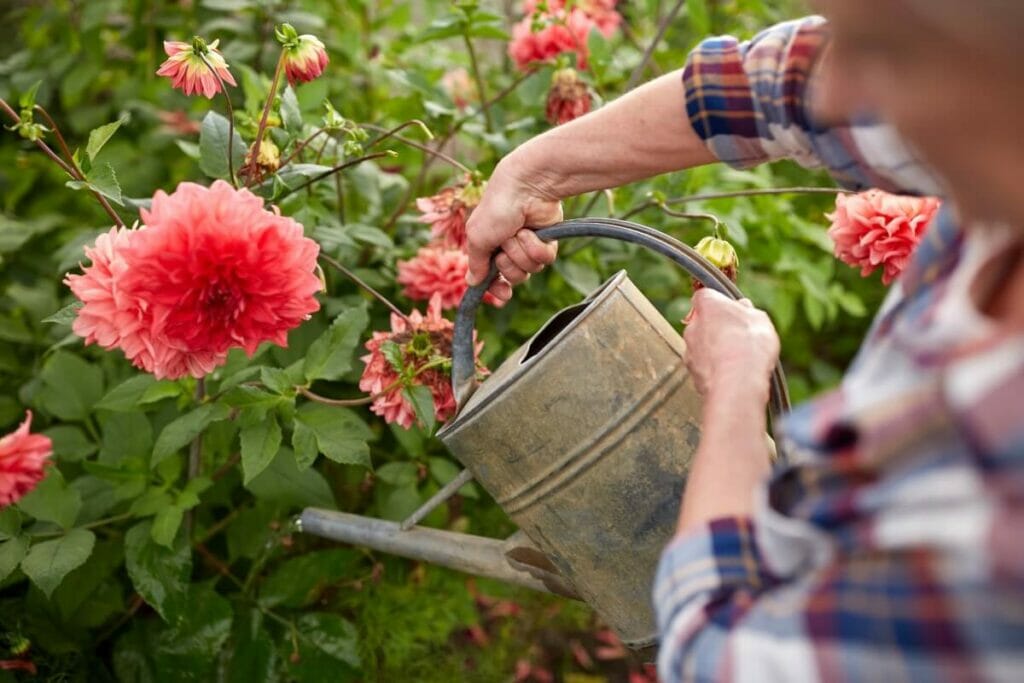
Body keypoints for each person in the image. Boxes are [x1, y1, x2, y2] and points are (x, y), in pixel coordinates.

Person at [465, 0, 1024, 680]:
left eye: (884, 49)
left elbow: (719, 661)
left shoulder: (998, 481)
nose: (836, 86)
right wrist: (536, 169)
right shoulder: (986, 110)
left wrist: (732, 393)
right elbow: (780, 87)